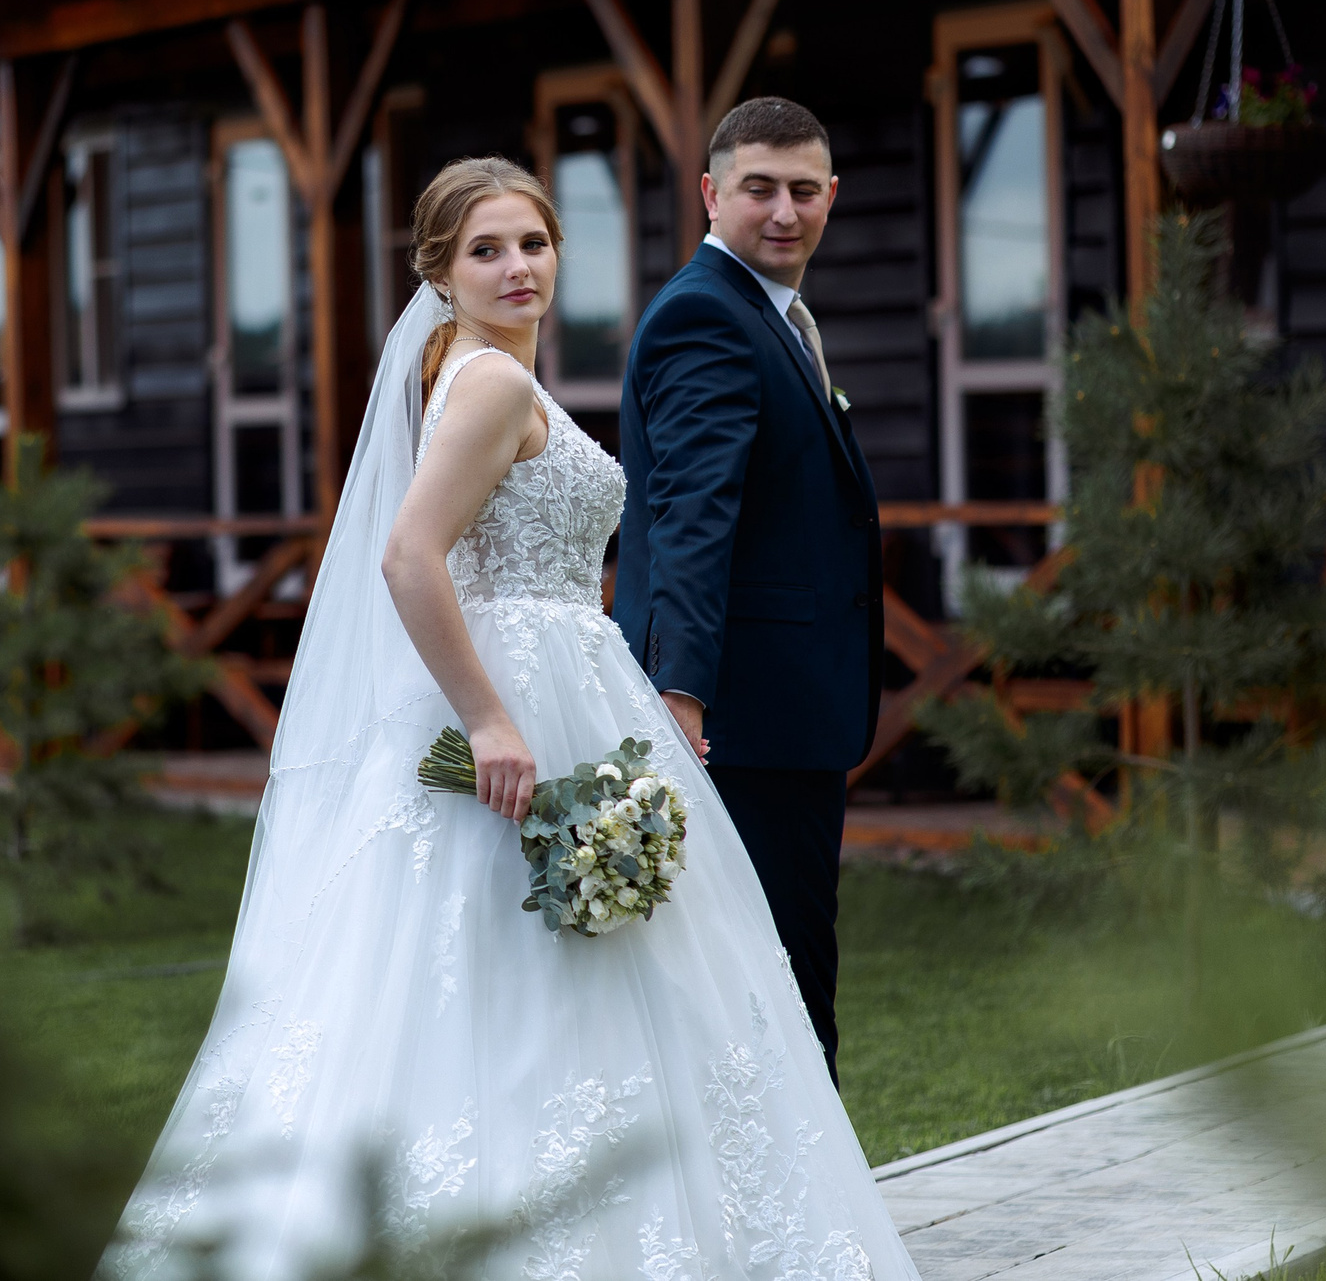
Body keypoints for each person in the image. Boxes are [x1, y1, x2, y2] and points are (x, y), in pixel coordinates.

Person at [109, 156, 916, 1281]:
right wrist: (490, 720)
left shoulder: (485, 372)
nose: (516, 267)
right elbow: (408, 557)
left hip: (572, 691)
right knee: (522, 980)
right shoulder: (485, 383)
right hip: (522, 712)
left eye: (531, 244)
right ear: (438, 272)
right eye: (485, 250)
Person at [613, 97, 881, 1083]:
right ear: (709, 192)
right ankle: (807, 1227)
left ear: (831, 197)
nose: (783, 210)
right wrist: (680, 692)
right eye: (758, 188)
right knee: (775, 985)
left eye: (803, 190)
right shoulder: (705, 318)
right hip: (740, 722)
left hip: (782, 715)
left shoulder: (766, 315)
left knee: (782, 977)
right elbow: (693, 512)